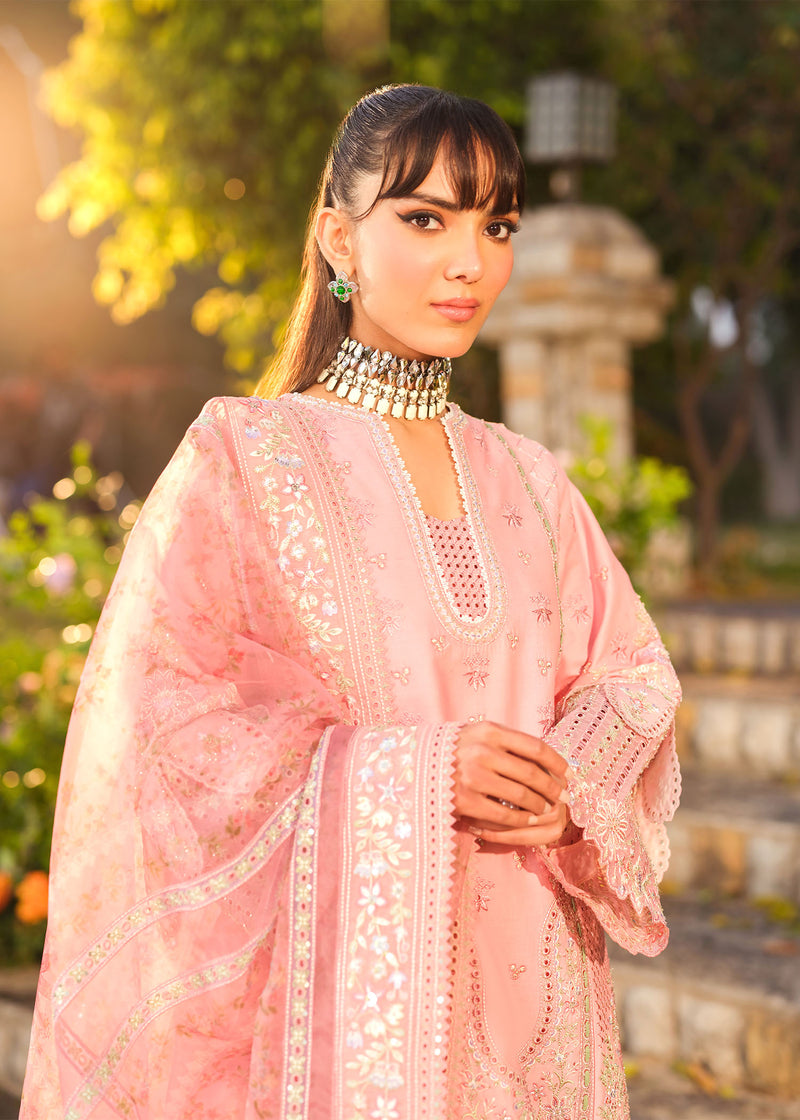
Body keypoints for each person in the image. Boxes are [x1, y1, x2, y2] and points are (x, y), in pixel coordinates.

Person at [21, 84, 681, 1120]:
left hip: (527, 997)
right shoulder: (244, 455)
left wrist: (572, 797)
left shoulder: (531, 480)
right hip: (328, 1031)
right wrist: (409, 773)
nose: (469, 261)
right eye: (424, 218)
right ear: (339, 238)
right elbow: (156, 730)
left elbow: (630, 677)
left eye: (494, 224)